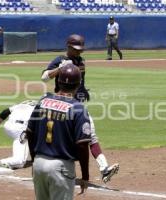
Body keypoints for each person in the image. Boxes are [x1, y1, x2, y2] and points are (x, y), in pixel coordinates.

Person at [41, 34, 119, 183]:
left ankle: (104, 169)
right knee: (86, 135)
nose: (79, 52)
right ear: (68, 47)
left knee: (87, 135)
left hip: (76, 104)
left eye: (80, 50)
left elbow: (80, 81)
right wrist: (60, 68)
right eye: (76, 49)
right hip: (62, 105)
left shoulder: (81, 61)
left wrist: (84, 90)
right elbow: (44, 77)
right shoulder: (60, 60)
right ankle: (102, 169)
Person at [27, 64, 91, 200]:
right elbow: (82, 145)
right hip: (61, 167)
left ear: (58, 81)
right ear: (78, 84)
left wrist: (34, 161)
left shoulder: (42, 102)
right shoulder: (78, 108)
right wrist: (85, 175)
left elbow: (29, 132)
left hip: (39, 163)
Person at [0, 100, 37, 169]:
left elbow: (4, 113)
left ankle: (36, 156)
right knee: (20, 161)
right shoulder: (41, 107)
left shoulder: (23, 104)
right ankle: (3, 162)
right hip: (20, 128)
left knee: (29, 135)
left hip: (8, 126)